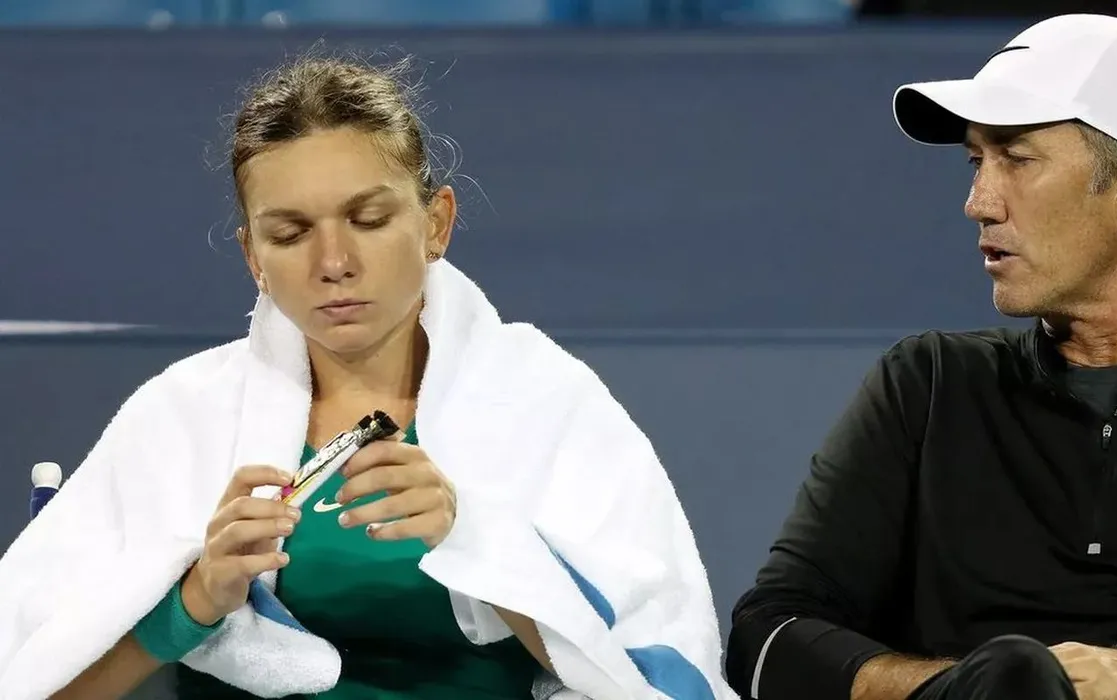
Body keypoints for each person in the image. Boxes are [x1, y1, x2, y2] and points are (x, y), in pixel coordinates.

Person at [0, 54, 732, 700]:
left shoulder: (547, 404)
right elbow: (31, 678)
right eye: (290, 233)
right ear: (254, 257)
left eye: (370, 219)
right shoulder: (181, 417)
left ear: (436, 223)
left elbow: (649, 674)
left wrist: (476, 538)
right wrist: (193, 601)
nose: (334, 263)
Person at [725, 13, 1117, 700]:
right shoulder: (930, 385)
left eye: (1017, 160)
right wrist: (971, 689)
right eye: (977, 162)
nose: (979, 203)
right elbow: (768, 639)